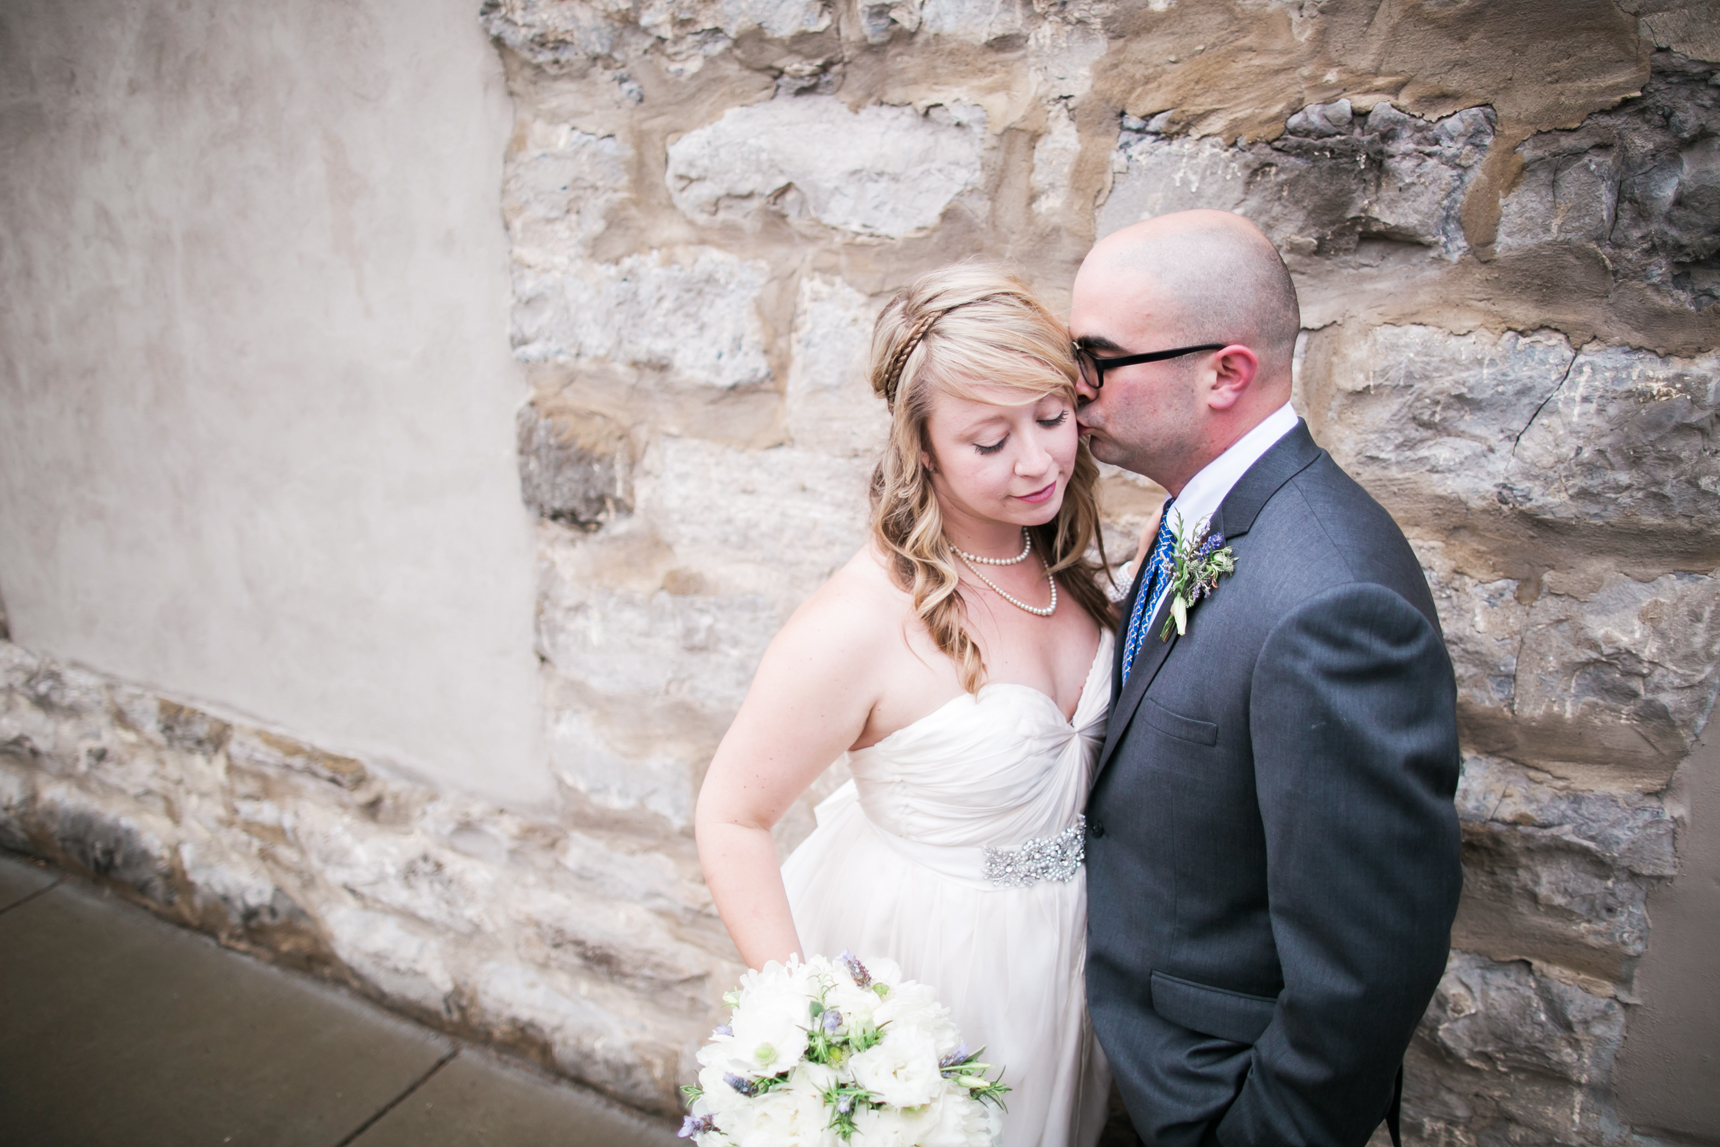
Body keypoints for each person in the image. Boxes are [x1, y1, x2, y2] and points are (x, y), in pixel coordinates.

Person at [695, 265, 1118, 1147]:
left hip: (1067, 961)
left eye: (1050, 417)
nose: (1038, 460)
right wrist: (826, 1035)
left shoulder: (1071, 568)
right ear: (922, 445)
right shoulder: (858, 620)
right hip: (932, 968)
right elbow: (732, 814)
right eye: (988, 440)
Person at [1072, 209, 1462, 1147]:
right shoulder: (1196, 516)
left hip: (1216, 1101)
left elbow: (1367, 962)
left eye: (1098, 358)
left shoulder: (1330, 599)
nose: (1072, 386)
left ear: (1225, 373)